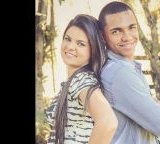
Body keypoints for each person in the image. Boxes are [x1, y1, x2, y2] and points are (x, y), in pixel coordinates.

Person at [98, 2, 160, 144]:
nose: (127, 37)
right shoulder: (120, 74)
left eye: (131, 27)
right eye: (116, 31)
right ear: (103, 36)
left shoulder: (123, 67)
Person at [45, 14, 118, 144]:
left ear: (93, 49)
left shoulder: (81, 80)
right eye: (68, 39)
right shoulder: (75, 81)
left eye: (81, 44)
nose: (70, 47)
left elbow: (108, 122)